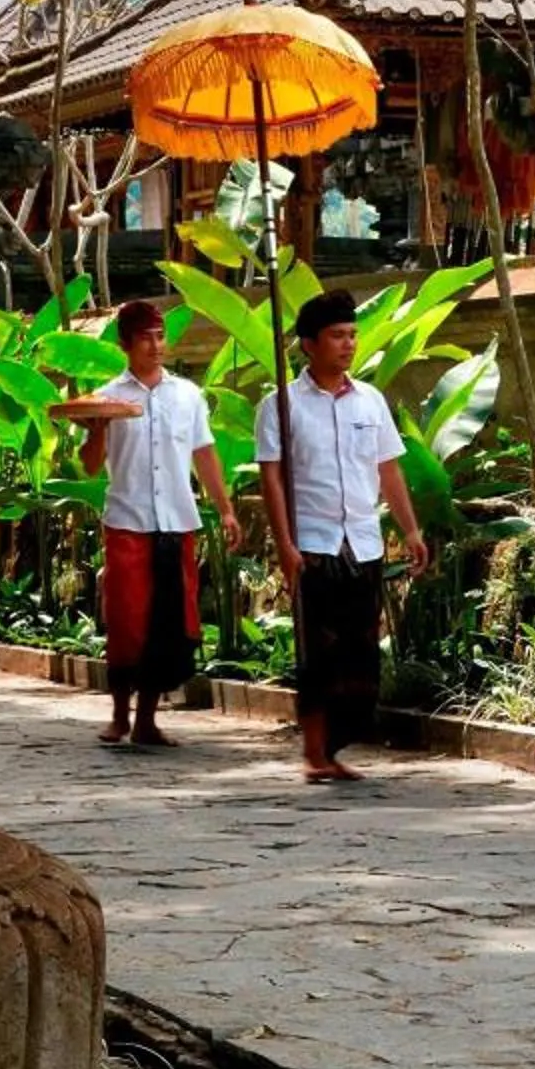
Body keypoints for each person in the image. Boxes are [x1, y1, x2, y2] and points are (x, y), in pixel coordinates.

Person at [256, 289, 430, 782]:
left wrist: (410, 528)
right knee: (319, 654)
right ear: (309, 344)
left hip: (363, 541)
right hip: (312, 542)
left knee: (362, 659)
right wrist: (285, 544)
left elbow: (388, 470)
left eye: (352, 335)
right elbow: (272, 478)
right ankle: (316, 752)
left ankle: (333, 743)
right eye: (337, 336)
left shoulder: (371, 401)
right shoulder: (281, 405)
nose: (348, 344)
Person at [56, 300, 237, 747]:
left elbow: (205, 454)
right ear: (125, 344)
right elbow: (91, 468)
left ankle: (147, 721)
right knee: (127, 620)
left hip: (177, 521)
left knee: (168, 621)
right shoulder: (107, 398)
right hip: (128, 521)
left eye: (161, 336)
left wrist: (226, 509)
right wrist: (97, 430)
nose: (156, 346)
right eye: (145, 338)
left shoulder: (188, 396)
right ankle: (119, 715)